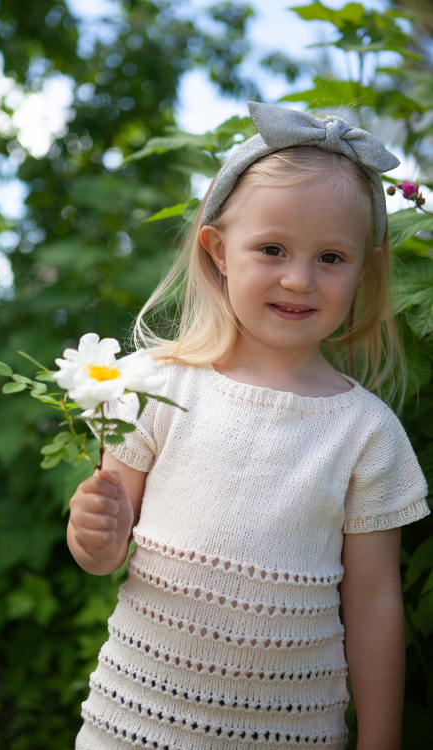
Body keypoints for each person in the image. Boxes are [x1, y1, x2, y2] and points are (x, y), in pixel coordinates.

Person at [68, 103, 430, 750]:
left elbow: (375, 602)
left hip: (291, 733)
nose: (299, 278)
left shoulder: (364, 433)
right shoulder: (157, 383)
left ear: (365, 271)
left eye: (331, 257)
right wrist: (93, 531)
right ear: (218, 251)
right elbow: (104, 554)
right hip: (134, 722)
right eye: (272, 249)